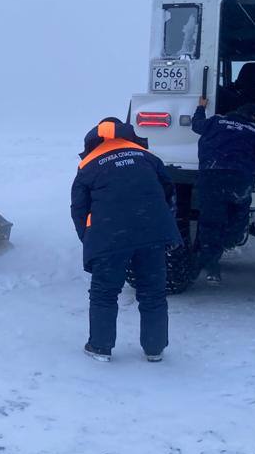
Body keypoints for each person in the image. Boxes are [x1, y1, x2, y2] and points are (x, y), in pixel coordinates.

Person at [70, 117, 181, 363]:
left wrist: (89, 240)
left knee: (105, 292)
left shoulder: (88, 165)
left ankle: (100, 347)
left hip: (109, 235)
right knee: (153, 292)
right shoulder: (148, 158)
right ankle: (154, 349)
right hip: (152, 232)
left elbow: (78, 209)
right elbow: (169, 192)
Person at [191, 99, 255, 285]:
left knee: (210, 220)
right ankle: (228, 242)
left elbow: (196, 125)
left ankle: (209, 262)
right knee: (238, 217)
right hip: (239, 180)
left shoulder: (216, 121)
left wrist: (201, 107)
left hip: (211, 175)